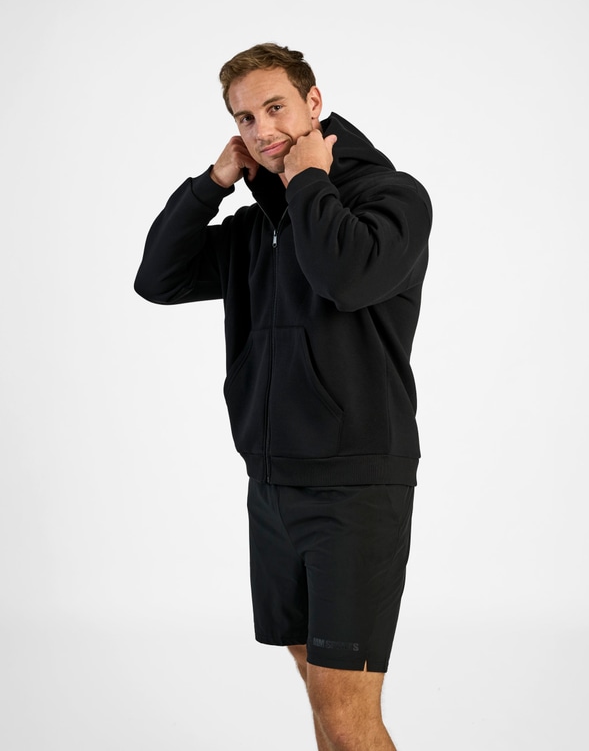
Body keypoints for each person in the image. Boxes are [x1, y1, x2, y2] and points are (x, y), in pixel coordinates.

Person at [134, 43, 432, 751]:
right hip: (271, 486)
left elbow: (343, 278)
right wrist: (212, 184)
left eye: (275, 108)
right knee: (322, 703)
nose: (262, 130)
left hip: (354, 487)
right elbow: (157, 279)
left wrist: (309, 180)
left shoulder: (392, 199)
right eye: (245, 118)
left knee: (347, 718)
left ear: (314, 103)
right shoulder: (254, 230)